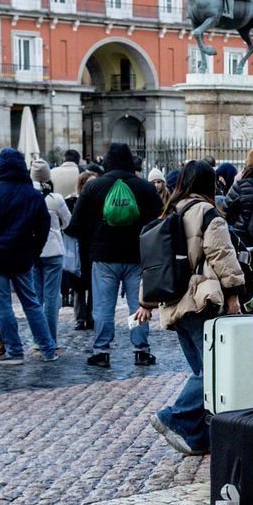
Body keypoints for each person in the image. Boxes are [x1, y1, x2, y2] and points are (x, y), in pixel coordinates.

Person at [138, 161, 244, 456]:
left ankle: (197, 437)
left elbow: (152, 262)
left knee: (200, 369)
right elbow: (222, 255)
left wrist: (145, 301)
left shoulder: (168, 212)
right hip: (200, 300)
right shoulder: (208, 214)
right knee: (212, 372)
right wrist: (234, 293)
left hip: (172, 302)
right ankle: (175, 417)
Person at [65, 143, 162, 369]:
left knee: (103, 307)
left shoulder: (93, 187)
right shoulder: (145, 188)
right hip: (137, 256)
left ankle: (101, 351)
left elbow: (76, 223)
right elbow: (159, 220)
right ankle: (140, 350)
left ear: (106, 161)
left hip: (103, 256)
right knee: (136, 305)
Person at [0, 148, 56, 365]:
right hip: (22, 255)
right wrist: (34, 250)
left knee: (2, 305)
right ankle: (48, 349)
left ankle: (15, 351)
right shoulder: (33, 194)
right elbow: (43, 227)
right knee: (32, 303)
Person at [31, 161, 72, 346]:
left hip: (32, 250)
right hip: (53, 249)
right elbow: (68, 222)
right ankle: (50, 340)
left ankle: (38, 339)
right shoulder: (55, 198)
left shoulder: (28, 196)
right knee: (51, 297)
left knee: (36, 297)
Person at [67, 170, 97, 332]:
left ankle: (91, 317)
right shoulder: (72, 201)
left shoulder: (99, 202)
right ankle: (80, 318)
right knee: (78, 287)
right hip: (78, 247)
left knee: (94, 286)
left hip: (93, 247)